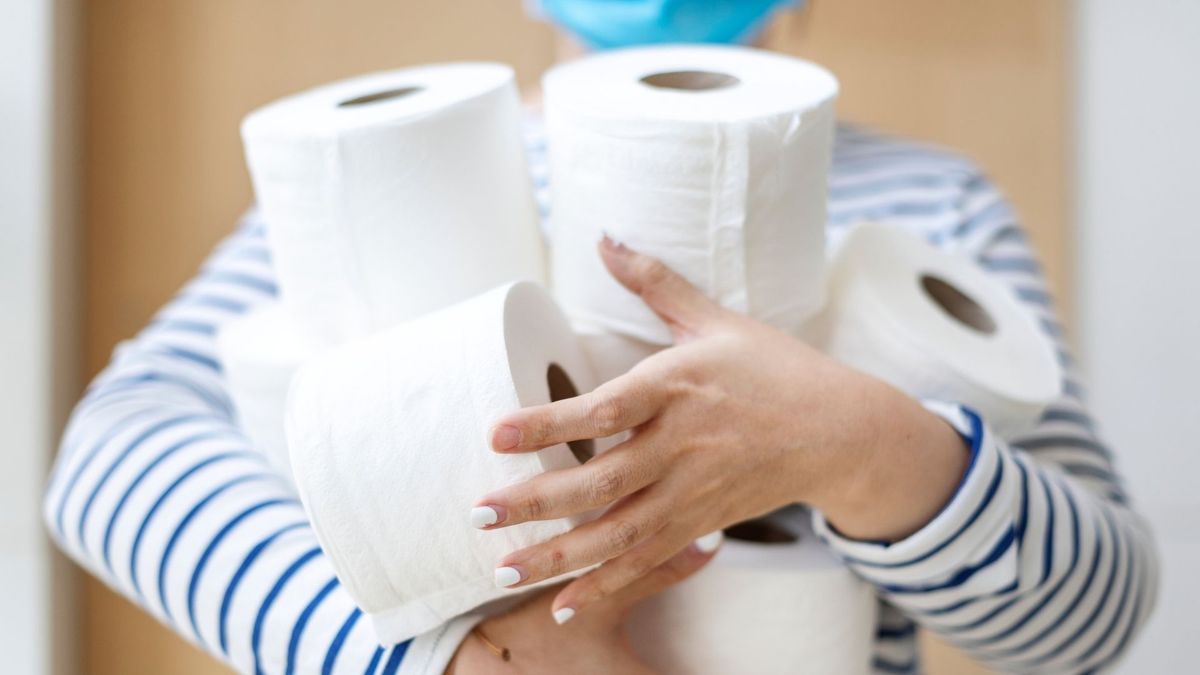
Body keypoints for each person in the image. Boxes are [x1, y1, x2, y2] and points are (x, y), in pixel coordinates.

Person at [44, 1, 1158, 673]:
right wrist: (438, 658)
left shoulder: (929, 209)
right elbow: (108, 457)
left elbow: (1094, 620)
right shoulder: (380, 179)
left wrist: (864, 445)